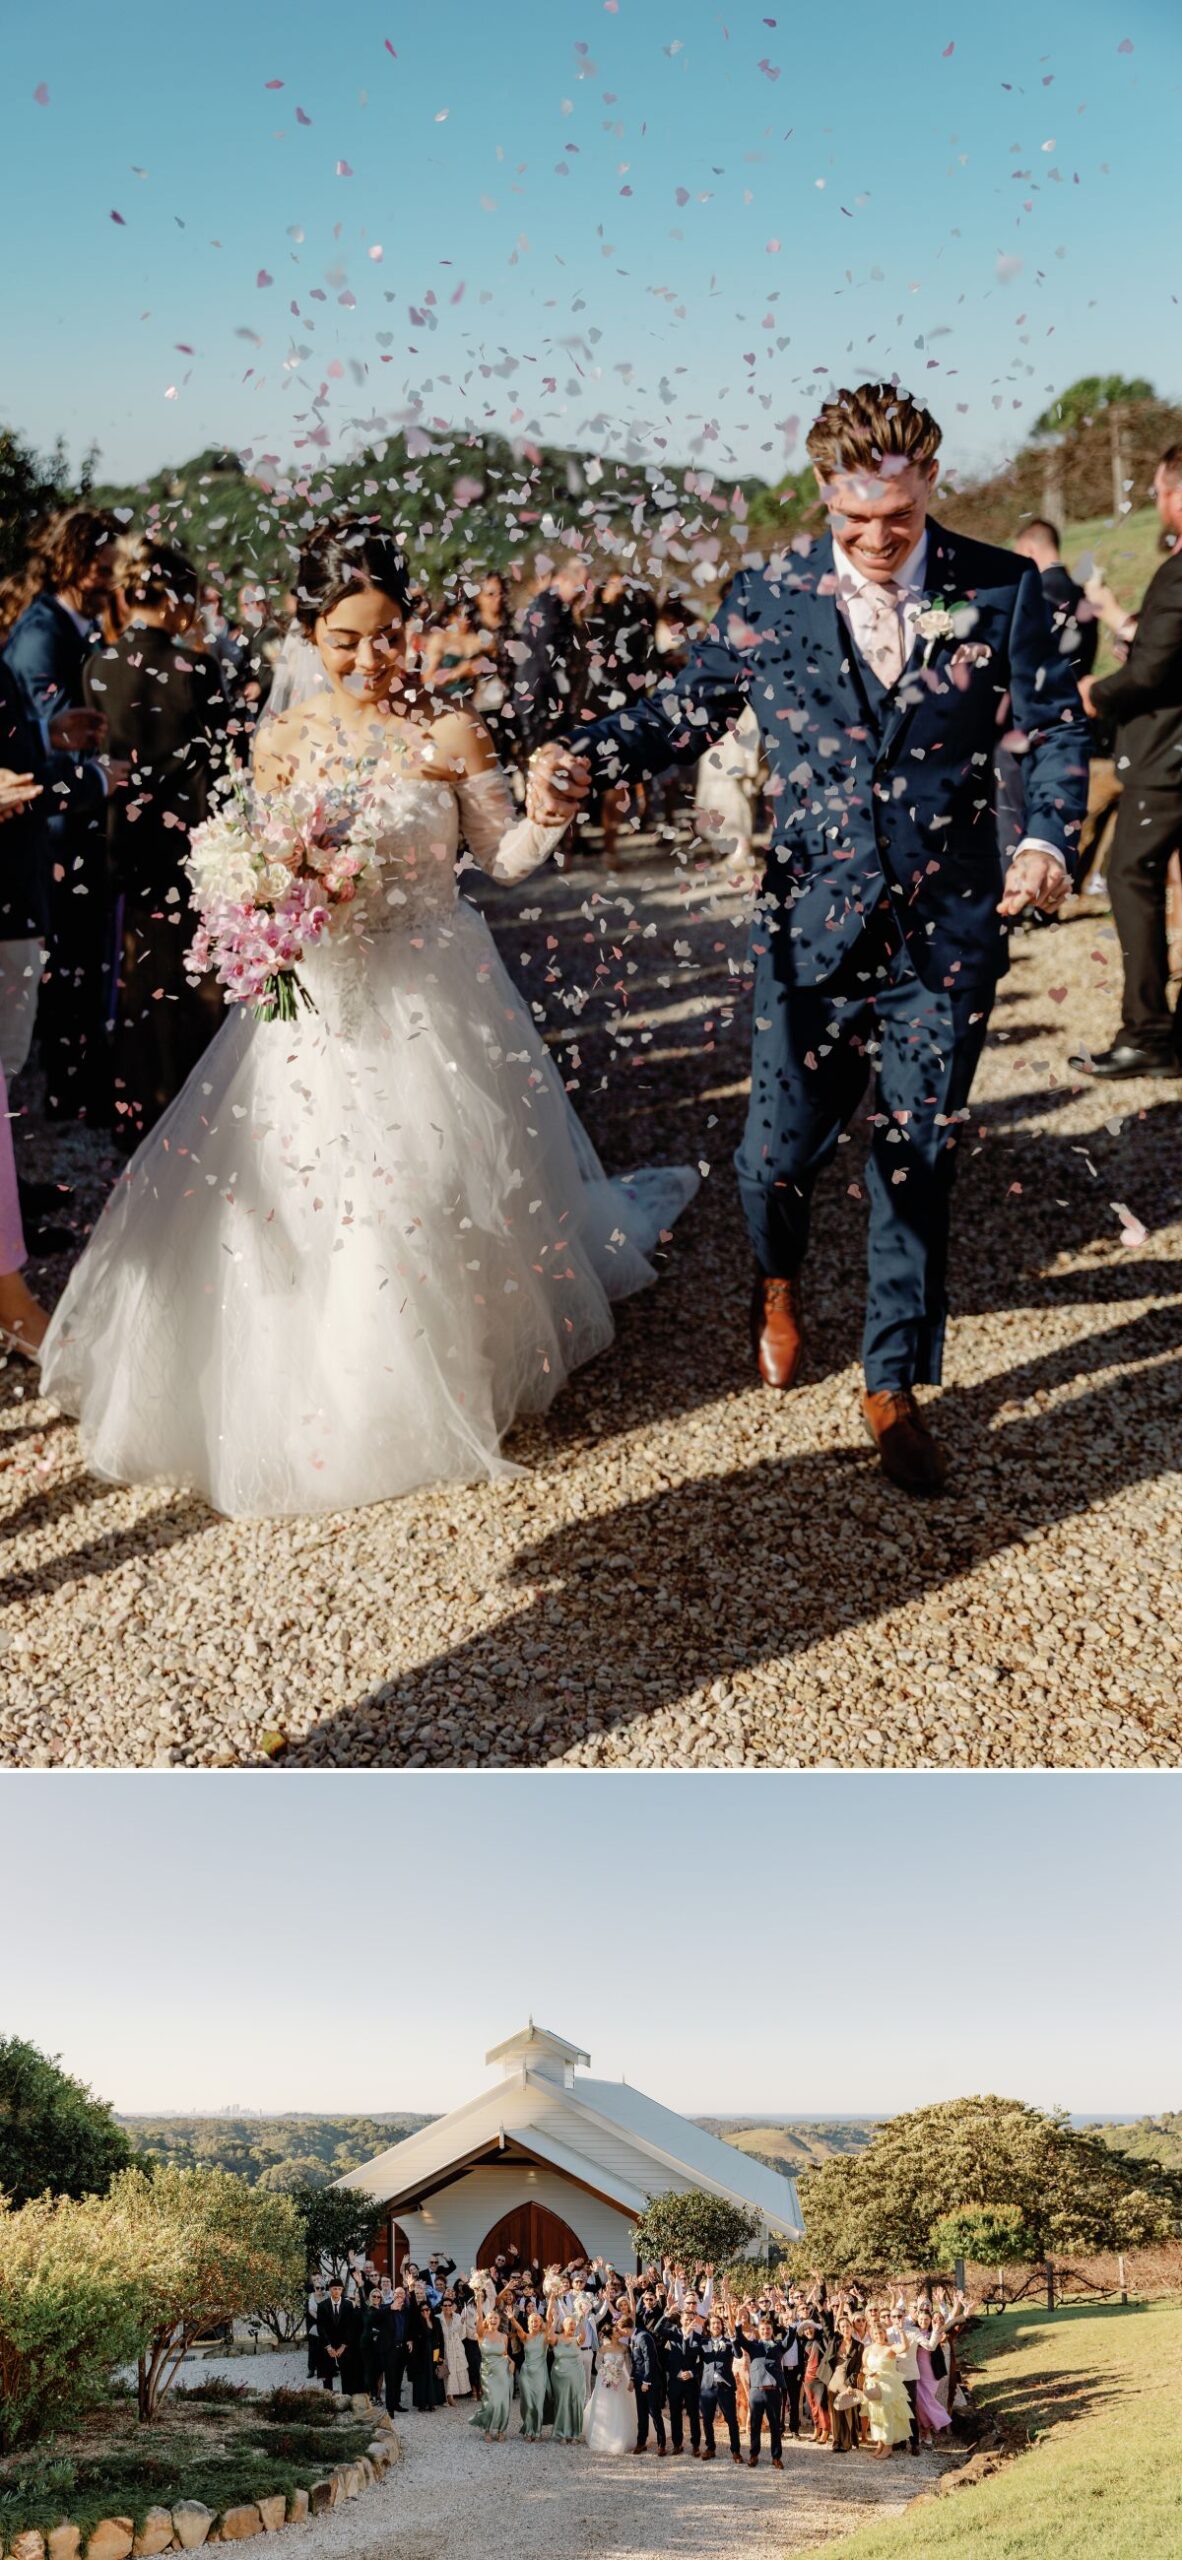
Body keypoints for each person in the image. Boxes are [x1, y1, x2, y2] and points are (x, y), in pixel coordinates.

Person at [39, 518, 697, 1519]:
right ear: (307, 632)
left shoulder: (450, 733)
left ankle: (445, 1375)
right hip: (319, 1003)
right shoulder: (282, 743)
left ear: (412, 624)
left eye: (385, 633)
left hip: (435, 989)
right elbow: (248, 874)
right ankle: (326, 1402)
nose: (366, 657)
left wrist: (553, 811)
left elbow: (506, 858)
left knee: (435, 1182)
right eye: (342, 638)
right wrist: (268, 903)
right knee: (302, 1201)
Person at [556, 381, 1087, 1496]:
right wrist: (587, 757)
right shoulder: (772, 593)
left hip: (947, 931)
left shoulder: (1005, 587)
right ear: (821, 494)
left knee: (916, 1152)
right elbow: (685, 710)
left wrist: (1045, 835)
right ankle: (777, 1279)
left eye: (896, 517)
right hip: (809, 927)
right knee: (770, 1159)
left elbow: (1049, 728)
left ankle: (893, 1382)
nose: (878, 541)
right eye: (855, 522)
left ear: (930, 482)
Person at [83, 535, 228, 1146]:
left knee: (139, 979)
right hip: (189, 845)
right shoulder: (197, 670)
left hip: (126, 842)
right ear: (173, 598)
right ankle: (201, 1106)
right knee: (198, 981)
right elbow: (224, 767)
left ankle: (141, 1106)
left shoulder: (96, 666)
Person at [3, 508, 129, 1123]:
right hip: (49, 833)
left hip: (74, 823)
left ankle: (75, 1085)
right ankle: (64, 1094)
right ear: (69, 561)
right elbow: (19, 757)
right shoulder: (40, 635)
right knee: (60, 971)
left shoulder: (79, 625)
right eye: (101, 569)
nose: (110, 581)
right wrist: (97, 777)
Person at [1076, 445, 1182, 1076]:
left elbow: (1150, 673)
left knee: (1129, 875)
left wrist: (1096, 692)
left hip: (1168, 756)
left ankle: (1147, 1032)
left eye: (1162, 490)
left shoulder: (1178, 572)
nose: (1159, 502)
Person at [736, 2311, 785, 2467]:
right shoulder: (754, 2346)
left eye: (768, 2329)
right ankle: (753, 2455)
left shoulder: (778, 2346)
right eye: (763, 2329)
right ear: (759, 2330)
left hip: (773, 2392)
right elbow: (740, 2340)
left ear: (772, 2330)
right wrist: (737, 2326)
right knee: (755, 2425)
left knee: (775, 2426)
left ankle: (776, 2457)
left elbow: (790, 2339)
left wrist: (789, 2325)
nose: (765, 2331)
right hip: (756, 2391)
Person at [583, 2324, 637, 2455]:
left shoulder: (624, 2348)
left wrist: (631, 2379)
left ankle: (621, 2436)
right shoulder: (603, 2348)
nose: (618, 2333)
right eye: (615, 2331)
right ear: (610, 2334)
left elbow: (629, 2366)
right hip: (604, 2381)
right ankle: (603, 2436)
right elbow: (597, 2364)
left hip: (621, 2380)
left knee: (621, 2407)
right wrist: (604, 2372)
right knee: (606, 2408)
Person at [698, 2312, 742, 2463]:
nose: (716, 2325)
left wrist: (733, 2337)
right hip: (707, 2387)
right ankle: (710, 2448)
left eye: (718, 2323)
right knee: (707, 2419)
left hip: (725, 2387)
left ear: (722, 2326)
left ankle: (735, 2451)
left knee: (731, 2420)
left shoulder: (729, 2342)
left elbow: (739, 2355)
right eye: (713, 2324)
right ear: (709, 2327)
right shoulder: (702, 2343)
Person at [664, 2300, 703, 2455]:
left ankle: (695, 2445)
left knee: (693, 2415)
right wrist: (667, 2314)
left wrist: (692, 2373)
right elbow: (658, 2329)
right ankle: (677, 2444)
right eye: (686, 2319)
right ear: (681, 2321)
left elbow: (703, 2363)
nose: (688, 2322)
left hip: (691, 2382)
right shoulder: (673, 2334)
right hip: (675, 2381)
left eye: (691, 2319)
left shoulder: (699, 2338)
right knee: (675, 2414)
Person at [470, 2308, 513, 2441]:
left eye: (496, 2318)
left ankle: (501, 2430)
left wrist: (511, 2361)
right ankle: (487, 2429)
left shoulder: (504, 2336)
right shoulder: (481, 2334)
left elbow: (505, 2353)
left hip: (503, 2372)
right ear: (486, 2321)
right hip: (487, 2371)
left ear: (499, 2321)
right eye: (491, 2318)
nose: (494, 2320)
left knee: (502, 2402)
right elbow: (478, 2319)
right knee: (490, 2401)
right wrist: (478, 2300)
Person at [629, 2304, 667, 2455]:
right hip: (638, 2380)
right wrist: (632, 2378)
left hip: (650, 2381)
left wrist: (646, 2381)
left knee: (654, 2412)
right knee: (641, 2413)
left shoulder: (643, 2337)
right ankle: (641, 2442)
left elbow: (649, 2360)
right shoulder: (632, 2338)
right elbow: (635, 2361)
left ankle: (661, 2443)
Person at [549, 2314, 588, 2444]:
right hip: (559, 2375)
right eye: (569, 2323)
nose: (572, 2326)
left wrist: (581, 2320)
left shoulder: (576, 2339)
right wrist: (554, 2321)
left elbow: (583, 2336)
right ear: (563, 2326)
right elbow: (549, 2337)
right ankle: (562, 2434)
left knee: (576, 2401)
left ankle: (575, 2434)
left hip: (577, 2374)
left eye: (573, 2324)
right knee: (562, 2402)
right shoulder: (557, 2338)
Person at [317, 2279, 358, 2394]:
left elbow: (351, 2327)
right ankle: (328, 2399)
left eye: (339, 2289)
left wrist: (343, 2346)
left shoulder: (348, 2305)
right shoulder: (322, 2306)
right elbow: (321, 2327)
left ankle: (347, 2397)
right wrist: (328, 2347)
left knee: (346, 2373)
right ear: (330, 2289)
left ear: (342, 2290)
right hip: (327, 2344)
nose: (337, 2291)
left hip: (343, 2344)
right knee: (327, 2373)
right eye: (334, 2288)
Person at [378, 2285, 411, 2413]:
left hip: (402, 2350)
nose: (399, 2296)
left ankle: (396, 2403)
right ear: (393, 2295)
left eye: (401, 2294)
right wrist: (390, 2308)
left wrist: (410, 2339)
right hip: (389, 2350)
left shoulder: (406, 2311)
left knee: (398, 2379)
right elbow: (375, 2317)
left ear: (405, 2296)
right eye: (397, 2293)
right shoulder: (385, 2308)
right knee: (390, 2379)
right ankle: (389, 2408)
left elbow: (409, 2328)